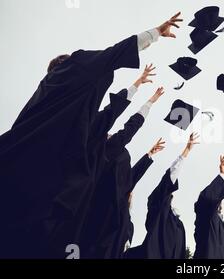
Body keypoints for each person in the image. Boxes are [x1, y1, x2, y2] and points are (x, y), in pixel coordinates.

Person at [0, 12, 183, 258]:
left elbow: (111, 115)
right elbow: (109, 60)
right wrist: (155, 34)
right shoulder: (69, 71)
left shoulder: (48, 107)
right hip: (47, 204)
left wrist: (139, 88)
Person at [79, 86, 166, 259]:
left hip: (106, 216)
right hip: (106, 215)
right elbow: (132, 126)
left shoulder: (108, 157)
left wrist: (148, 155)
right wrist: (149, 102)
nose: (111, 133)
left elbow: (130, 179)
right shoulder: (108, 148)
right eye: (109, 133)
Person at [125, 133, 200, 259]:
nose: (171, 195)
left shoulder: (180, 226)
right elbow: (167, 182)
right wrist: (185, 152)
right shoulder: (159, 209)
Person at [193, 155, 224, 259]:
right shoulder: (205, 217)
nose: (219, 201)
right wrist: (223, 175)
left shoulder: (222, 226)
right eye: (217, 200)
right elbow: (205, 201)